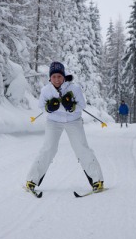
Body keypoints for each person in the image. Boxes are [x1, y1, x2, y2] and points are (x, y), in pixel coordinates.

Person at [26, 61, 104, 193]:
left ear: (63, 76)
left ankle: (97, 180)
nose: (57, 79)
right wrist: (48, 108)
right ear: (50, 78)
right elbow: (41, 107)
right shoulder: (46, 90)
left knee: (81, 148)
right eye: (54, 76)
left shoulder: (74, 89)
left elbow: (82, 106)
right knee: (48, 149)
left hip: (73, 121)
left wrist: (72, 106)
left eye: (59, 76)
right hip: (53, 122)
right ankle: (32, 180)